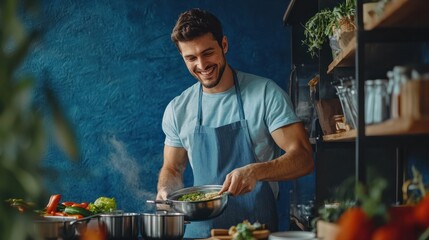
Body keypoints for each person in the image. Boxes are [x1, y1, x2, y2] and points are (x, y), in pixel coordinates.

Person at [156, 8, 314, 238]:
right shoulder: (178, 109)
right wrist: (165, 191)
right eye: (191, 58)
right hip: (200, 234)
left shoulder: (265, 94)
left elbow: (303, 158)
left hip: (254, 231)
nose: (201, 65)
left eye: (208, 52)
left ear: (224, 45)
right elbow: (173, 168)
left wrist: (256, 171)